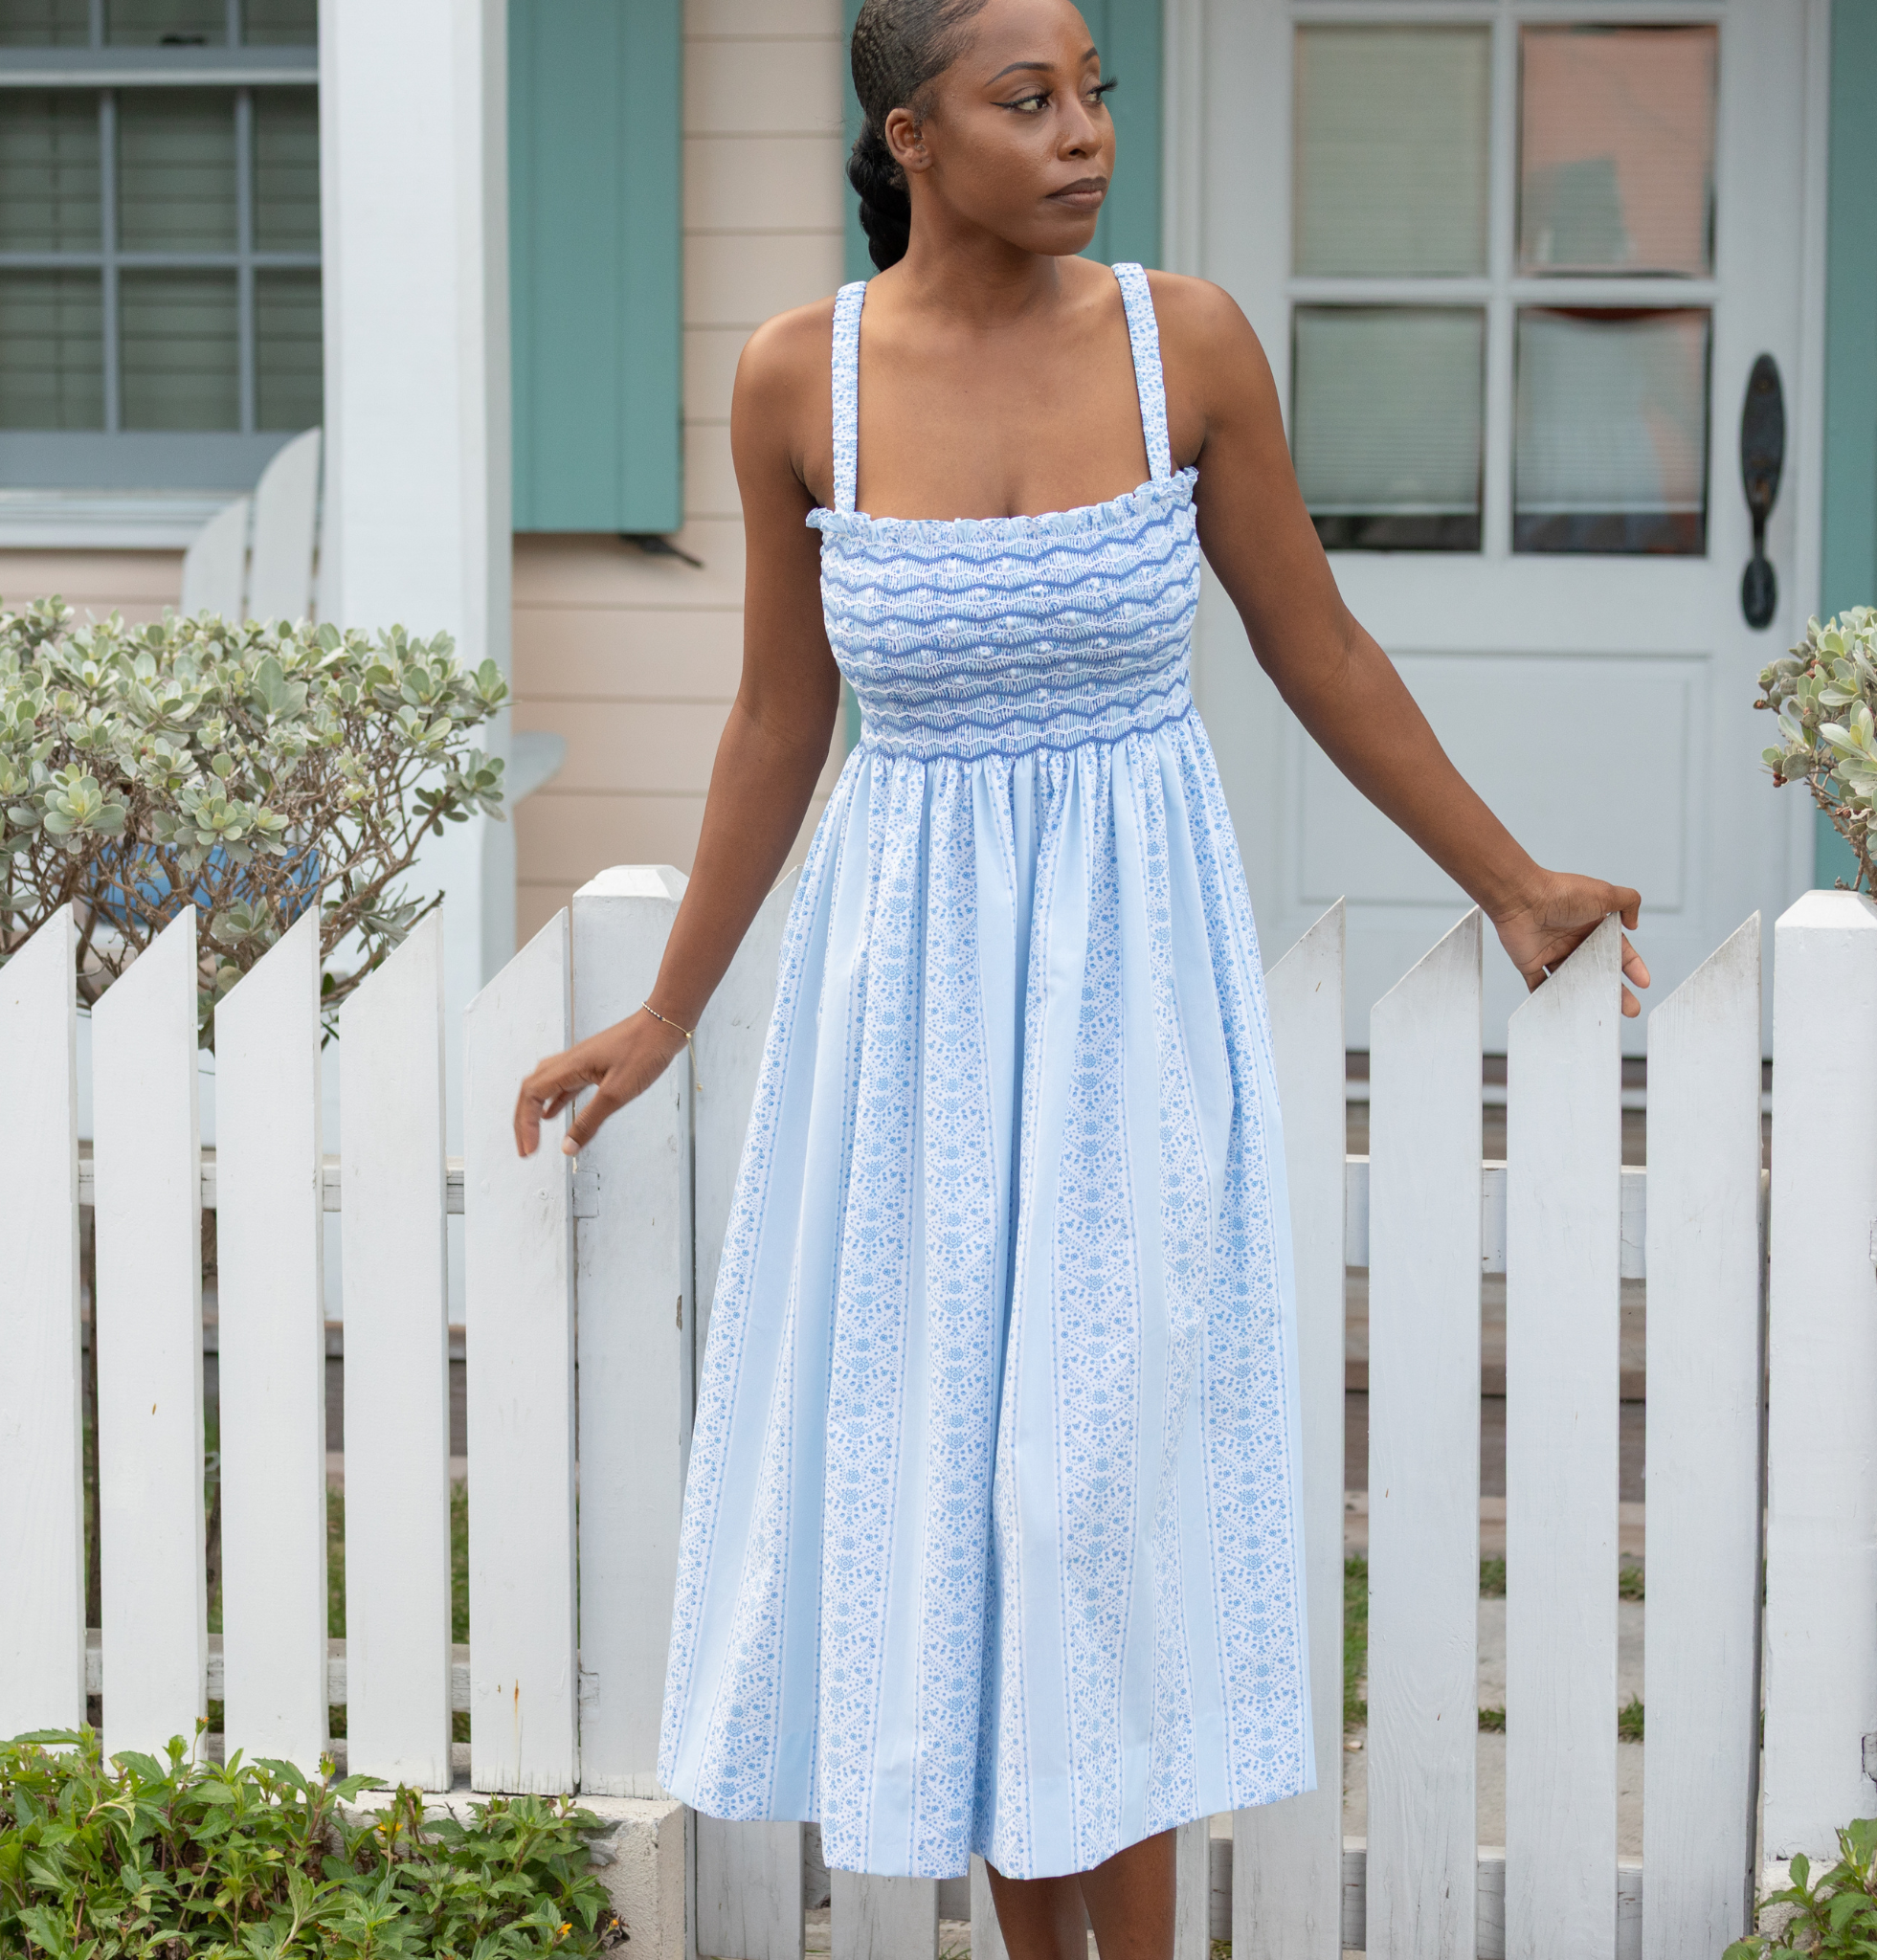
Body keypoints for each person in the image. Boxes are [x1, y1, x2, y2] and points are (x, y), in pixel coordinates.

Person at [514, 1, 1648, 1953]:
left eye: (1094, 94)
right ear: (907, 138)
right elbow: (779, 723)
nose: (1083, 136)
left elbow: (1323, 652)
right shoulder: (803, 380)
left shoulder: (1180, 338)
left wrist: (1513, 881)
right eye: (1025, 102)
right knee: (958, 1510)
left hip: (1131, 983)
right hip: (908, 1008)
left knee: (1088, 1503)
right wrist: (670, 1011)